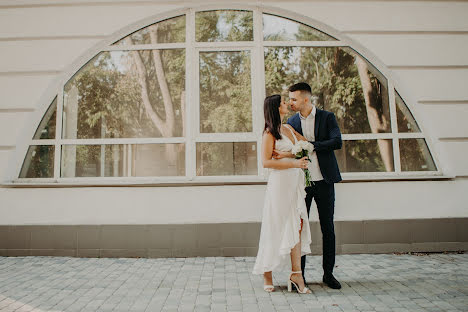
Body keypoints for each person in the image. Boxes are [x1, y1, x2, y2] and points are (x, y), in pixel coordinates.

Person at [252, 94, 312, 294]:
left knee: (297, 225)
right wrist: (294, 161)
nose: (287, 104)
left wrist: (288, 154)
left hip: (295, 184)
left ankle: (297, 274)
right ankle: (267, 273)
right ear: (276, 108)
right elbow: (266, 162)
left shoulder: (288, 128)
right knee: (275, 226)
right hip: (279, 184)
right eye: (283, 103)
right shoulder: (269, 133)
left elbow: (307, 147)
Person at [287, 82, 343, 289]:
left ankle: (328, 274)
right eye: (290, 99)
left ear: (306, 99)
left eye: (294, 99)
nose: (291, 103)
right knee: (299, 229)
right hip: (303, 184)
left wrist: (311, 146)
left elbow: (337, 141)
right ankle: (298, 276)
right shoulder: (291, 122)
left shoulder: (327, 117)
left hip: (325, 181)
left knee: (328, 228)